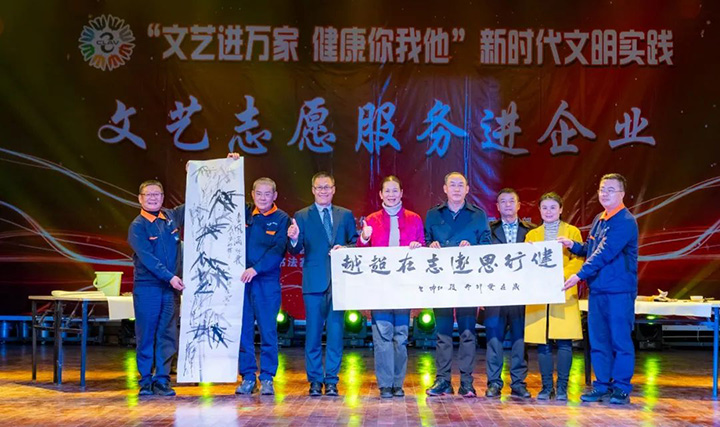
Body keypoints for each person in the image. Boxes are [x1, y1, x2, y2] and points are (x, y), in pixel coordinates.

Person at [560, 173, 638, 405]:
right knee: (599, 340)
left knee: (620, 341)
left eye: (610, 190)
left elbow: (604, 253)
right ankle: (602, 385)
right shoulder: (599, 218)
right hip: (598, 291)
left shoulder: (625, 221)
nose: (605, 193)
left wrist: (579, 275)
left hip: (619, 292)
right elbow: (591, 247)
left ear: (622, 194)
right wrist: (573, 246)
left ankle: (621, 387)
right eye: (602, 189)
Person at [287, 172, 358, 396]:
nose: (323, 191)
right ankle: (315, 381)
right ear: (313, 190)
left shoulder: (345, 215)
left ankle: (332, 380)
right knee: (313, 335)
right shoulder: (301, 216)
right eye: (319, 187)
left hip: (339, 282)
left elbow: (355, 244)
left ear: (334, 189)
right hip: (313, 283)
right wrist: (294, 238)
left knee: (336, 335)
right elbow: (295, 250)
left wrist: (345, 249)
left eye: (327, 187)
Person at [424, 172, 492, 397]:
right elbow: (424, 242)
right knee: (442, 332)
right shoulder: (433, 214)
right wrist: (430, 246)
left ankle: (466, 382)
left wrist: (472, 247)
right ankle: (443, 380)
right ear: (444, 189)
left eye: (460, 185)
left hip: (467, 282)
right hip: (441, 282)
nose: (456, 189)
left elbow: (487, 245)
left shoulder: (478, 215)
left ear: (467, 189)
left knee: (468, 332)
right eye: (451, 185)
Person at [357, 176, 424, 398]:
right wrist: (364, 238)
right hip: (380, 288)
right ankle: (385, 384)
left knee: (401, 336)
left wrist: (418, 246)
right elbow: (361, 254)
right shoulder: (372, 220)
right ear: (381, 194)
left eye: (395, 190)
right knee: (382, 335)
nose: (391, 195)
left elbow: (424, 250)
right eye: (387, 191)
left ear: (401, 193)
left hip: (404, 287)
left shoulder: (414, 219)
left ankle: (398, 383)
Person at [523, 192, 583, 401]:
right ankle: (546, 386)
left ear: (561, 209)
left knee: (565, 342)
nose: (548, 211)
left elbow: (578, 259)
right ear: (539, 210)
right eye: (544, 208)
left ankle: (563, 387)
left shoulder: (572, 231)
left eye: (553, 207)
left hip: (563, 289)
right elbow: (526, 262)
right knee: (543, 342)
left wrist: (561, 276)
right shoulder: (532, 235)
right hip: (540, 292)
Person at [128, 179, 185, 397]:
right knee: (146, 334)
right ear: (140, 199)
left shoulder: (170, 217)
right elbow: (148, 259)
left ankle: (162, 379)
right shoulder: (137, 227)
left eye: (157, 194)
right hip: (148, 288)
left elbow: (196, 201)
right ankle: (145, 380)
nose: (153, 198)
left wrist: (197, 172)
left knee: (167, 334)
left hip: (170, 289)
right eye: (148, 194)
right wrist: (170, 277)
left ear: (163, 197)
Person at [235, 178, 290, 396]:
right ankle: (248, 377)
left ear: (275, 196)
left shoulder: (282, 219)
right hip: (242, 281)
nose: (263, 198)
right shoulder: (244, 213)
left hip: (266, 282)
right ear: (252, 194)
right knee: (244, 331)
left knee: (268, 331)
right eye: (259, 193)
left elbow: (278, 250)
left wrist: (256, 269)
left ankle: (267, 377)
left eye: (268, 194)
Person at [485, 188, 536, 399]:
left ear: (518, 205)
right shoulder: (488, 231)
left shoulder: (532, 232)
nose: (507, 205)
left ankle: (518, 383)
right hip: (495, 293)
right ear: (497, 207)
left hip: (521, 293)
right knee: (493, 339)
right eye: (503, 202)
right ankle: (494, 382)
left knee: (520, 339)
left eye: (511, 201)